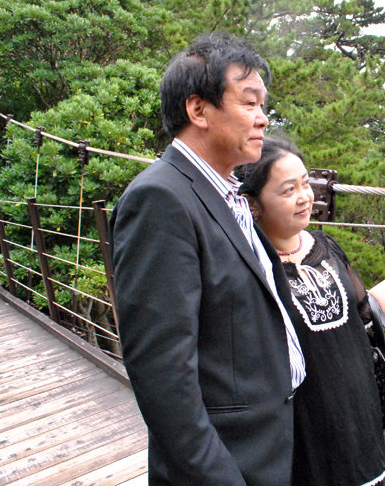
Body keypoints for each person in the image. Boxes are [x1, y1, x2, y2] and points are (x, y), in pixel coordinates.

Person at [110, 32, 306, 486]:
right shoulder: (160, 199)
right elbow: (162, 376)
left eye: (263, 105)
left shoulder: (227, 193)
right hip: (229, 461)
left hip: (271, 445)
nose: (263, 118)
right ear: (198, 110)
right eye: (249, 103)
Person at [236, 136, 385, 486]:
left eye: (305, 183)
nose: (304, 197)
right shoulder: (249, 267)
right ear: (252, 203)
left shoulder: (325, 246)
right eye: (288, 190)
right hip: (301, 437)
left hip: (359, 423)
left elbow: (366, 310)